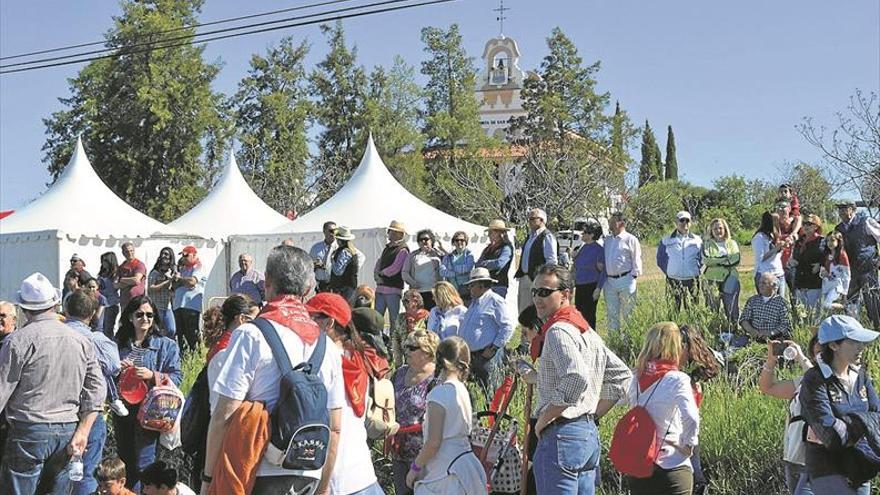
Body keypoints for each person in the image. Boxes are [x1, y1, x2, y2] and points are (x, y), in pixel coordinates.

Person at [203, 245, 345, 495]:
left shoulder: (250, 335)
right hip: (307, 471)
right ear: (308, 289)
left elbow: (224, 413)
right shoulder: (328, 347)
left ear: (267, 282)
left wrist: (208, 477)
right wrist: (322, 488)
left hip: (259, 471)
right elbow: (335, 427)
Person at [529, 264, 631, 494]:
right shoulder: (586, 330)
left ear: (565, 294)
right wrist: (592, 413)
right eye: (534, 291)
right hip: (586, 434)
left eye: (545, 292)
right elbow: (622, 378)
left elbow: (576, 378)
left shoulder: (557, 331)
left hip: (561, 432)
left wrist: (545, 418)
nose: (537, 298)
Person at [0, 272, 105, 494]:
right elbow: (97, 390)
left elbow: (2, 390)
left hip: (28, 429)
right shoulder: (81, 340)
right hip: (67, 428)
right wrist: (84, 430)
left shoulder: (18, 341)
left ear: (24, 308)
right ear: (55, 304)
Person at [306, 292, 388, 495]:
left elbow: (334, 429)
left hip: (336, 480)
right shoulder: (358, 357)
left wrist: (323, 486)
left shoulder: (324, 360)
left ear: (329, 324)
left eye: (311, 317)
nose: (306, 323)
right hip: (363, 474)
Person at [799, 315, 880, 494]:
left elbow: (878, 417)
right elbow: (830, 434)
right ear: (834, 346)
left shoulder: (861, 376)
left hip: (861, 467)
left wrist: (846, 425)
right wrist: (866, 425)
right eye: (853, 342)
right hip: (827, 469)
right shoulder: (815, 379)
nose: (861, 347)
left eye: (861, 341)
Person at [624, 322, 700, 495]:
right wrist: (688, 444)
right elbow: (692, 417)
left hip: (640, 463)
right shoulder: (677, 379)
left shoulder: (636, 375)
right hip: (672, 463)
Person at [114, 295, 182, 487]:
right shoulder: (118, 344)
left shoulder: (166, 345)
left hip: (151, 412)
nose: (145, 319)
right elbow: (106, 375)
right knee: (125, 463)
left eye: (150, 315)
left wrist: (152, 375)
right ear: (130, 317)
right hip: (124, 411)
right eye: (140, 314)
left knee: (146, 464)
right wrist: (117, 369)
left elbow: (176, 377)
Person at [405, 336, 487, 494]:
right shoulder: (462, 389)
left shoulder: (439, 394)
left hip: (443, 469)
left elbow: (433, 443)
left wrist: (415, 468)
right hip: (465, 463)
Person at [64, 289, 126, 495]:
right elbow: (115, 366)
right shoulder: (97, 340)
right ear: (92, 315)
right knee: (87, 473)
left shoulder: (54, 335)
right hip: (90, 413)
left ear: (65, 310)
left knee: (58, 474)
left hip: (58, 413)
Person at [759, 335, 819, 495]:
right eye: (816, 353)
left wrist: (800, 357)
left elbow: (824, 382)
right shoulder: (804, 381)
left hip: (826, 463)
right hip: (796, 459)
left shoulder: (843, 380)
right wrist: (771, 360)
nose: (819, 357)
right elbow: (767, 387)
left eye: (823, 352)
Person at [390, 329, 440, 495]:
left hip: (425, 456)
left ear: (427, 352)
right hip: (398, 452)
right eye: (406, 346)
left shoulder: (437, 379)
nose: (406, 350)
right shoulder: (399, 373)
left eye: (412, 347)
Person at [457, 267, 515, 394]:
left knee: (491, 392)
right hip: (473, 356)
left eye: (472, 285)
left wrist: (494, 347)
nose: (469, 289)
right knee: (477, 393)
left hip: (487, 356)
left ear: (481, 285)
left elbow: (507, 326)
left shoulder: (495, 301)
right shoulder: (474, 303)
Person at [678, 325, 720, 495]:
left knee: (692, 470)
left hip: (681, 432)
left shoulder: (684, 377)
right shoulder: (694, 372)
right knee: (695, 469)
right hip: (690, 432)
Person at [835, 200, 880, 327]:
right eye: (840, 209)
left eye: (845, 208)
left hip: (868, 268)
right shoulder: (838, 229)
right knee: (851, 303)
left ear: (853, 210)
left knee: (873, 301)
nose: (841, 212)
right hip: (850, 272)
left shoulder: (865, 221)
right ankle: (855, 330)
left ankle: (877, 329)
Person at [604, 212, 643, 333]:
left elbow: (637, 259)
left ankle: (628, 342)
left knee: (628, 315)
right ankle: (614, 343)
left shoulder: (630, 239)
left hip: (626, 280)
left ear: (621, 223)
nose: (610, 222)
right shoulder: (607, 240)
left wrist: (632, 277)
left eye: (613, 220)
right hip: (609, 282)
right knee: (612, 315)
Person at [657, 211, 703, 312]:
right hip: (673, 280)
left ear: (690, 223)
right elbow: (660, 260)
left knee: (693, 311)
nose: (684, 223)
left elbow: (701, 258)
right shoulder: (666, 240)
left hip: (692, 280)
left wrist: (694, 269)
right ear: (676, 222)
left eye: (687, 220)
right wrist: (670, 271)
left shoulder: (698, 240)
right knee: (673, 311)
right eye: (682, 220)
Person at [374, 220, 411, 345]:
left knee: (394, 318)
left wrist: (382, 273)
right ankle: (378, 342)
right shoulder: (387, 248)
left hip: (393, 289)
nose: (388, 233)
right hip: (381, 288)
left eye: (391, 231)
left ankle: (394, 345)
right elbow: (379, 261)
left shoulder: (403, 250)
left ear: (398, 234)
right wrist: (376, 273)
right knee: (377, 318)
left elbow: (396, 268)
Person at [515, 208, 558, 313]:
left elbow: (551, 262)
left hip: (537, 280)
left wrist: (544, 280)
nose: (530, 221)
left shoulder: (547, 237)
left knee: (537, 313)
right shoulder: (530, 237)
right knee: (523, 312)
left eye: (533, 219)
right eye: (529, 219)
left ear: (542, 220)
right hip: (525, 277)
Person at [701, 217, 741, 328]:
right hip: (711, 279)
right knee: (712, 307)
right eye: (715, 229)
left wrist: (717, 261)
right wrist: (725, 259)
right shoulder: (707, 244)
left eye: (720, 228)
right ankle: (714, 330)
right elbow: (707, 260)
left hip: (730, 278)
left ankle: (733, 329)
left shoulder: (732, 243)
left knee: (731, 306)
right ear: (711, 231)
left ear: (725, 229)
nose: (718, 231)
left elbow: (736, 260)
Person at [739, 272, 793, 343]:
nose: (760, 285)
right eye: (760, 283)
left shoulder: (782, 303)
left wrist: (771, 333)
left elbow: (786, 324)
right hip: (753, 338)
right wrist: (752, 331)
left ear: (774, 286)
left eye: (764, 283)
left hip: (774, 339)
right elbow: (744, 319)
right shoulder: (753, 300)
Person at [572, 221, 606, 330]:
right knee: (579, 315)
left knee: (589, 316)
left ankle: (591, 341)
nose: (582, 234)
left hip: (591, 286)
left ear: (591, 235)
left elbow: (603, 271)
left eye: (585, 232)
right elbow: (577, 266)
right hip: (580, 286)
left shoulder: (598, 250)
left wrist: (598, 288)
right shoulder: (582, 247)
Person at [172, 245, 205, 354]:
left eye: (186, 255)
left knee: (192, 335)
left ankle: (195, 357)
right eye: (183, 255)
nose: (184, 258)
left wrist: (180, 279)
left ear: (194, 255)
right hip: (179, 305)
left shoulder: (198, 266)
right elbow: (175, 284)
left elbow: (192, 282)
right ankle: (184, 357)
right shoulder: (183, 268)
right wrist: (178, 279)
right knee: (181, 334)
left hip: (191, 306)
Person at [792, 215, 825, 319]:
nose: (806, 226)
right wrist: (792, 261)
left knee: (815, 315)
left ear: (816, 226)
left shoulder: (822, 241)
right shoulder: (799, 241)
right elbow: (796, 257)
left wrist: (820, 264)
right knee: (802, 313)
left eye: (809, 224)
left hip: (814, 282)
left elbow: (829, 257)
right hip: (800, 281)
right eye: (804, 224)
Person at [402, 229, 444, 310]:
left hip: (433, 292)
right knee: (418, 317)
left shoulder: (438, 254)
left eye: (426, 239)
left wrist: (442, 251)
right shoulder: (413, 255)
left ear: (431, 240)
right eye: (421, 240)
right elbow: (405, 272)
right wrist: (412, 283)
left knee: (432, 317)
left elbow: (449, 262)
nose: (424, 241)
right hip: (417, 292)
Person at [753, 211, 789, 299]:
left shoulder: (774, 235)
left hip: (778, 273)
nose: (779, 223)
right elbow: (760, 257)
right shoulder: (759, 237)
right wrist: (776, 248)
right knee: (767, 302)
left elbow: (776, 256)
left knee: (780, 302)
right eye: (777, 221)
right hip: (764, 273)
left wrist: (782, 247)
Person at [475, 219, 515, 298]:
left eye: (491, 232)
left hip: (499, 285)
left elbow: (499, 264)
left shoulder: (506, 248)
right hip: (485, 286)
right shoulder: (487, 249)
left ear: (499, 233)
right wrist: (488, 264)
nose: (488, 235)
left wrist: (484, 263)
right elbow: (477, 264)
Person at [327, 226, 366, 301]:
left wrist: (332, 260)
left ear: (340, 240)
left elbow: (338, 271)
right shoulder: (352, 250)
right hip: (349, 286)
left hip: (343, 287)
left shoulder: (344, 252)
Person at [393, 290, 430, 367]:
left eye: (406, 301)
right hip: (407, 359)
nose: (404, 303)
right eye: (403, 300)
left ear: (416, 302)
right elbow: (396, 339)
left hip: (424, 359)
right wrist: (398, 362)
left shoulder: (428, 317)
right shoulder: (401, 318)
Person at [148, 247, 179, 339]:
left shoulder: (172, 271)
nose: (164, 256)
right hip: (156, 305)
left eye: (166, 254)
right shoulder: (155, 272)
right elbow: (151, 288)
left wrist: (176, 279)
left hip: (167, 306)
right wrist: (167, 282)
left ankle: (165, 343)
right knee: (156, 330)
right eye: (162, 253)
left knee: (171, 329)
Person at [440, 231, 475, 303]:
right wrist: (457, 273)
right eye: (457, 240)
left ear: (466, 242)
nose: (459, 242)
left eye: (462, 240)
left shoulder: (469, 254)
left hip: (466, 290)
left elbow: (468, 268)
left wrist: (451, 270)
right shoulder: (448, 257)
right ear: (453, 242)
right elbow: (442, 272)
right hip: (452, 291)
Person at [821, 231, 852, 312]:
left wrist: (845, 292)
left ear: (838, 241)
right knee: (826, 310)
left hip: (837, 286)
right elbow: (823, 269)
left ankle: (845, 307)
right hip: (826, 285)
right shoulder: (827, 254)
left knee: (826, 305)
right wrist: (823, 273)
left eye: (832, 240)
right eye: (827, 241)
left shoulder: (842, 255)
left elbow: (847, 275)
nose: (829, 243)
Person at [117, 242, 147, 311]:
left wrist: (122, 280)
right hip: (125, 302)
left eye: (131, 251)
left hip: (137, 301)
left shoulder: (139, 264)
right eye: (127, 251)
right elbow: (116, 285)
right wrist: (129, 281)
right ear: (123, 253)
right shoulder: (121, 266)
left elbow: (136, 280)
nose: (130, 253)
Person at [98, 251, 121, 338]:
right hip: (102, 303)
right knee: (100, 327)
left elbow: (115, 286)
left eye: (105, 261)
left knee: (108, 328)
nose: (103, 263)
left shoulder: (115, 273)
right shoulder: (103, 272)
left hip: (111, 303)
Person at [311, 221, 338, 293]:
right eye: (331, 231)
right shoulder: (316, 248)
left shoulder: (339, 247)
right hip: (320, 285)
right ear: (324, 232)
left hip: (336, 286)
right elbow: (309, 266)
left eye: (335, 231)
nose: (333, 233)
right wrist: (315, 265)